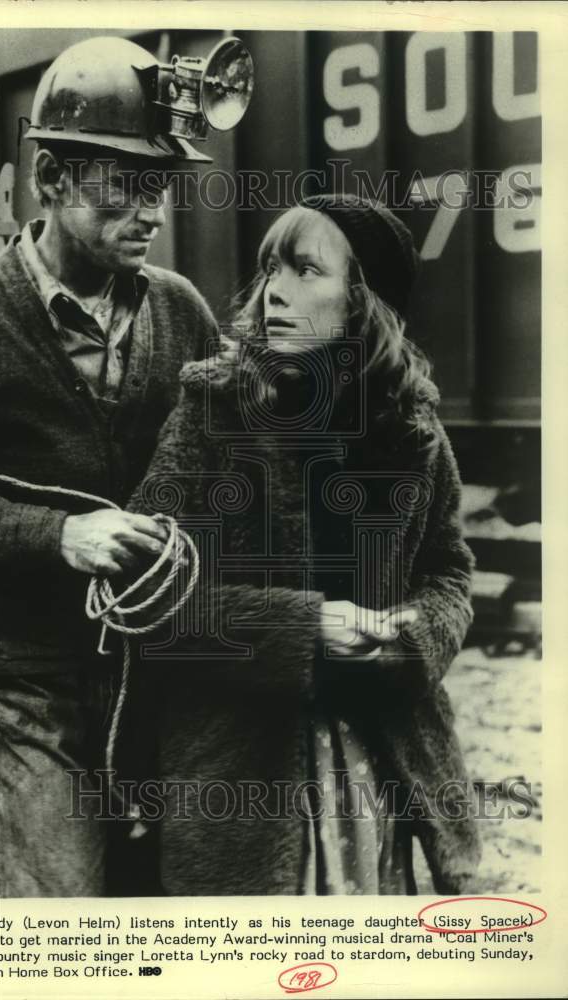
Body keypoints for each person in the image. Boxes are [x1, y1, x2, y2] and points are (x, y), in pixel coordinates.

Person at [0, 36, 221, 898]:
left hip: (157, 680)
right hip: (23, 678)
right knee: (56, 911)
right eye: (124, 185)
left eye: (161, 186)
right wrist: (58, 536)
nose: (151, 213)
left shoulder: (180, 309)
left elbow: (231, 471)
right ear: (52, 178)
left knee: (159, 908)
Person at [126, 195, 481, 895]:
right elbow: (148, 596)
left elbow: (447, 570)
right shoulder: (213, 411)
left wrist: (410, 640)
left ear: (361, 301)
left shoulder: (409, 427)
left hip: (377, 759)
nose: (274, 292)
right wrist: (302, 627)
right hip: (238, 764)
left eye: (305, 270)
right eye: (269, 270)